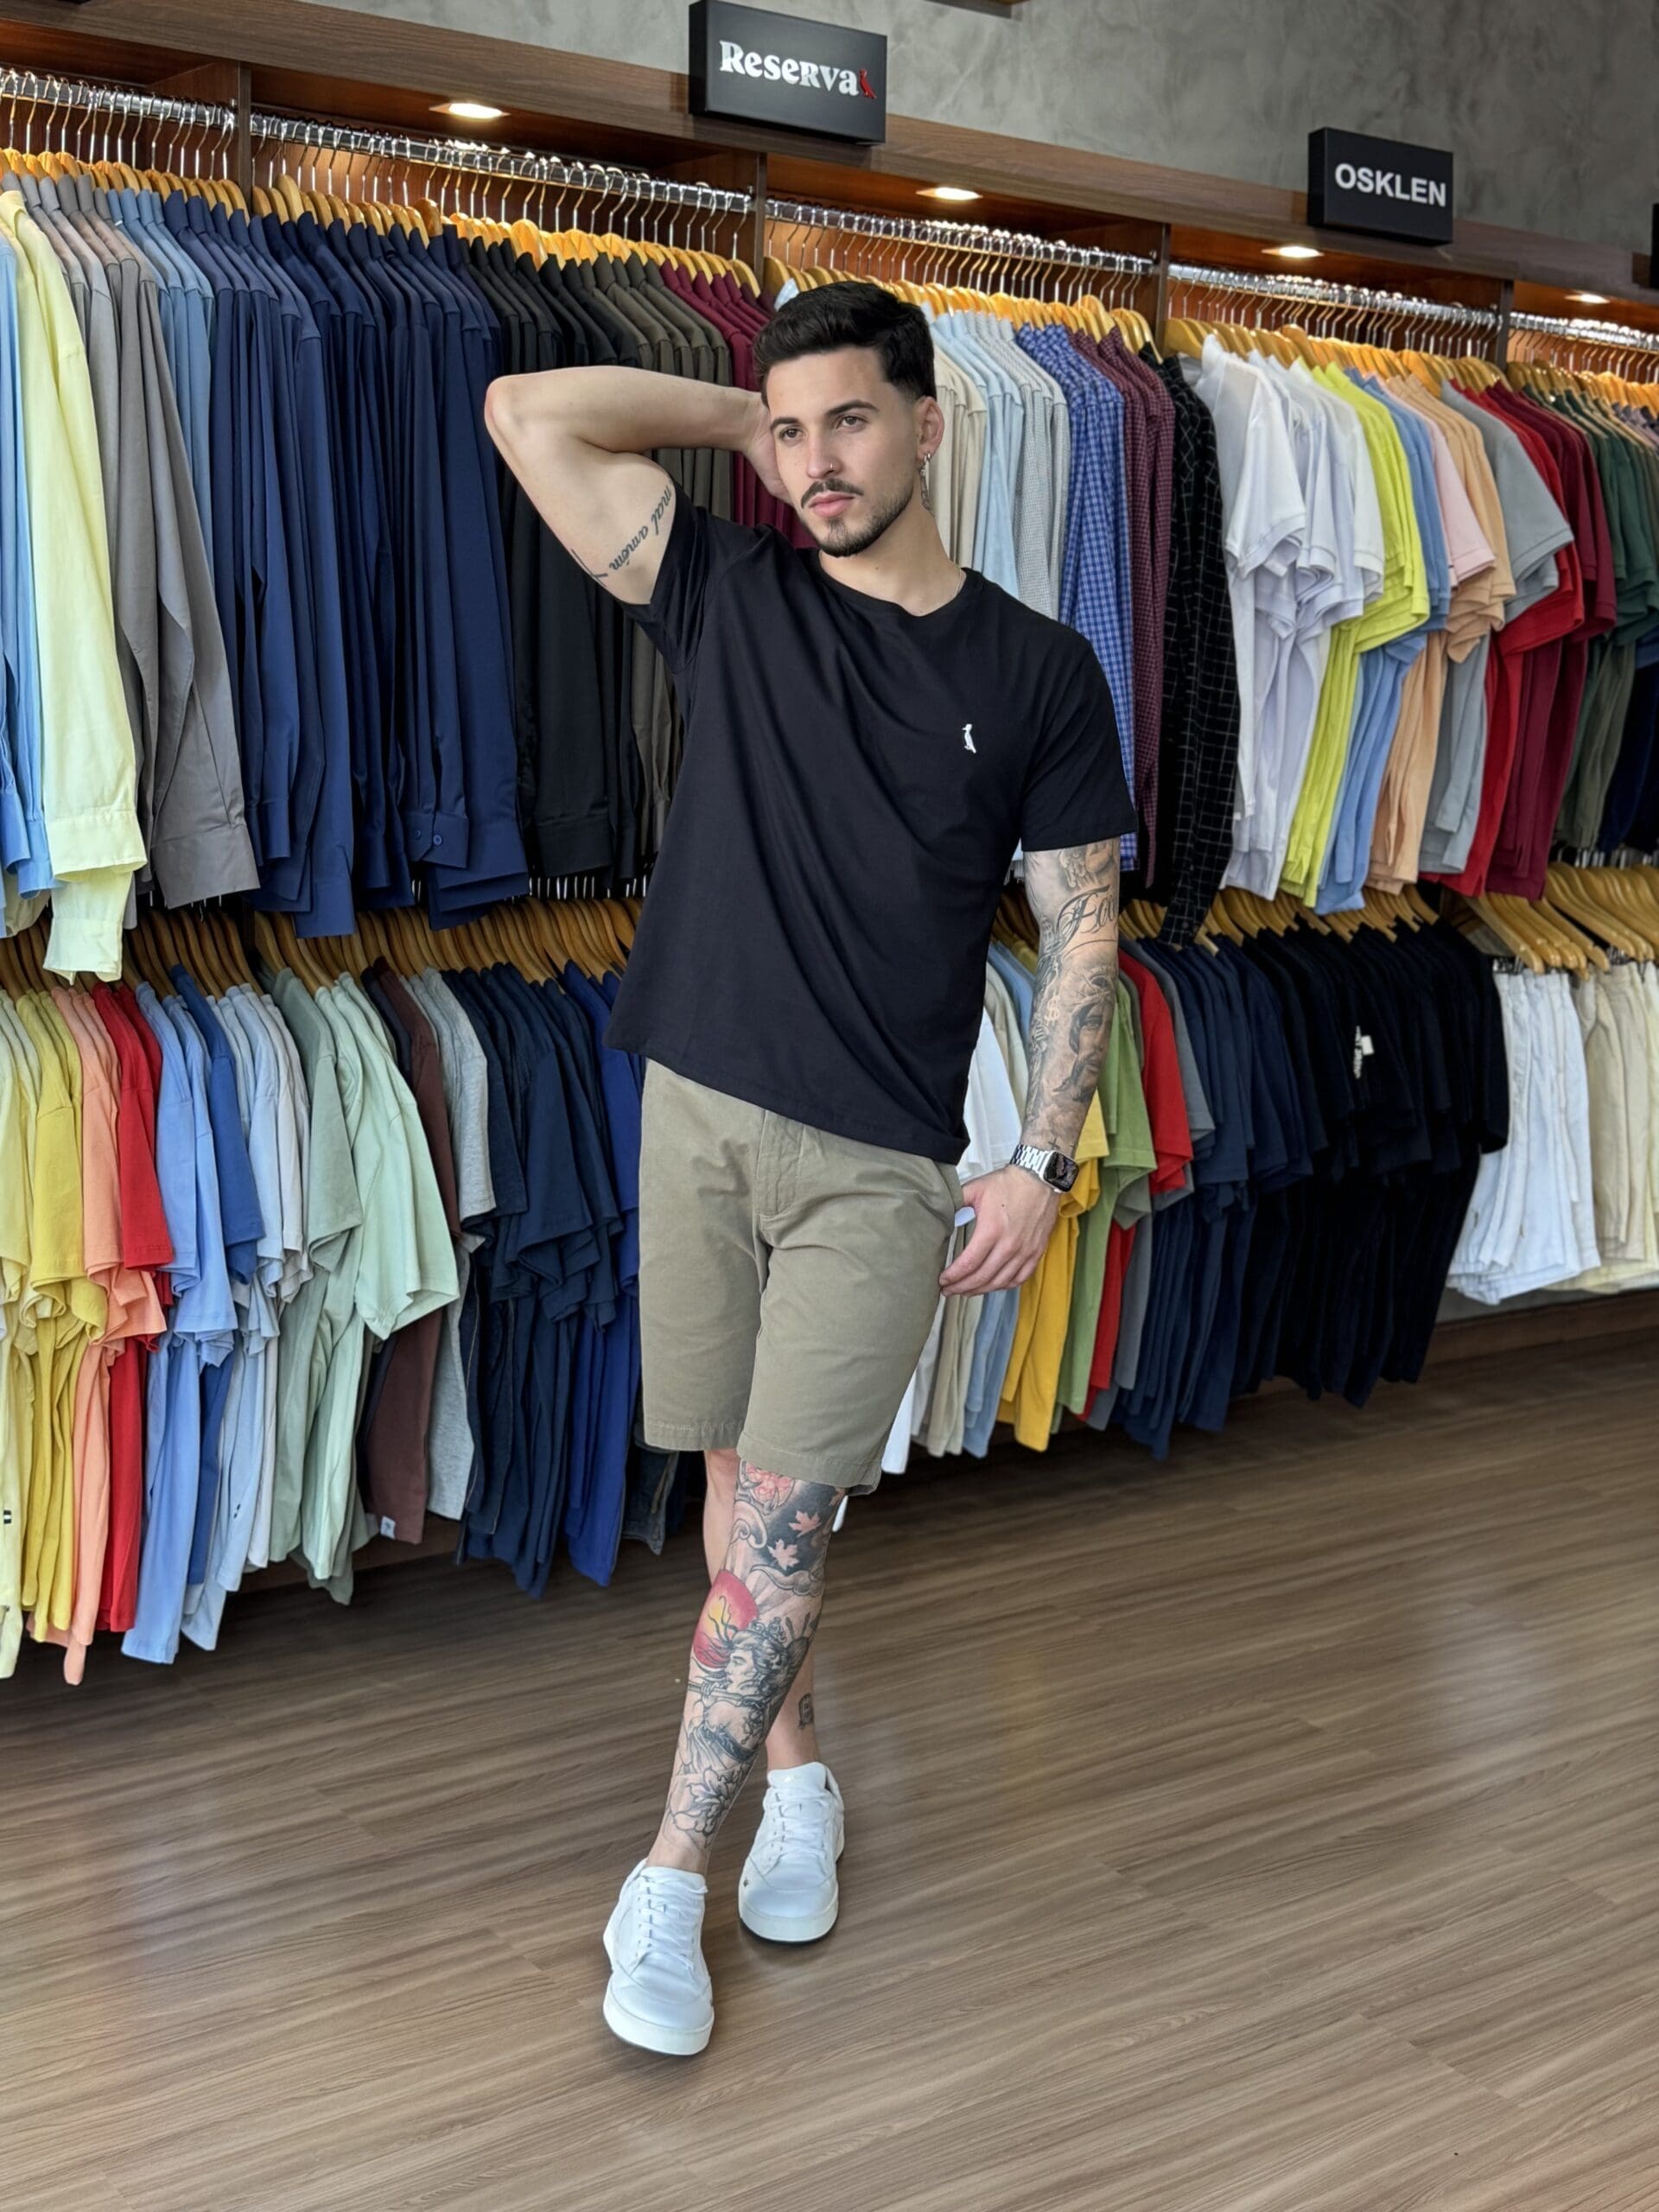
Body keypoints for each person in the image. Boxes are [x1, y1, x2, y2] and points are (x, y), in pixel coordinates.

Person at [485, 281, 1131, 2057]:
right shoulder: (731, 588)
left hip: (877, 1165)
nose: (819, 460)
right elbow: (528, 415)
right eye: (794, 430)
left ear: (932, 420)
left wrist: (1045, 1159)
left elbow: (1084, 928)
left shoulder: (1038, 670)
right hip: (695, 1109)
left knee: (781, 1521)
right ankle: (799, 1780)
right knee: (731, 1495)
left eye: (852, 419)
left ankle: (664, 1878)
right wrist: (751, 428)